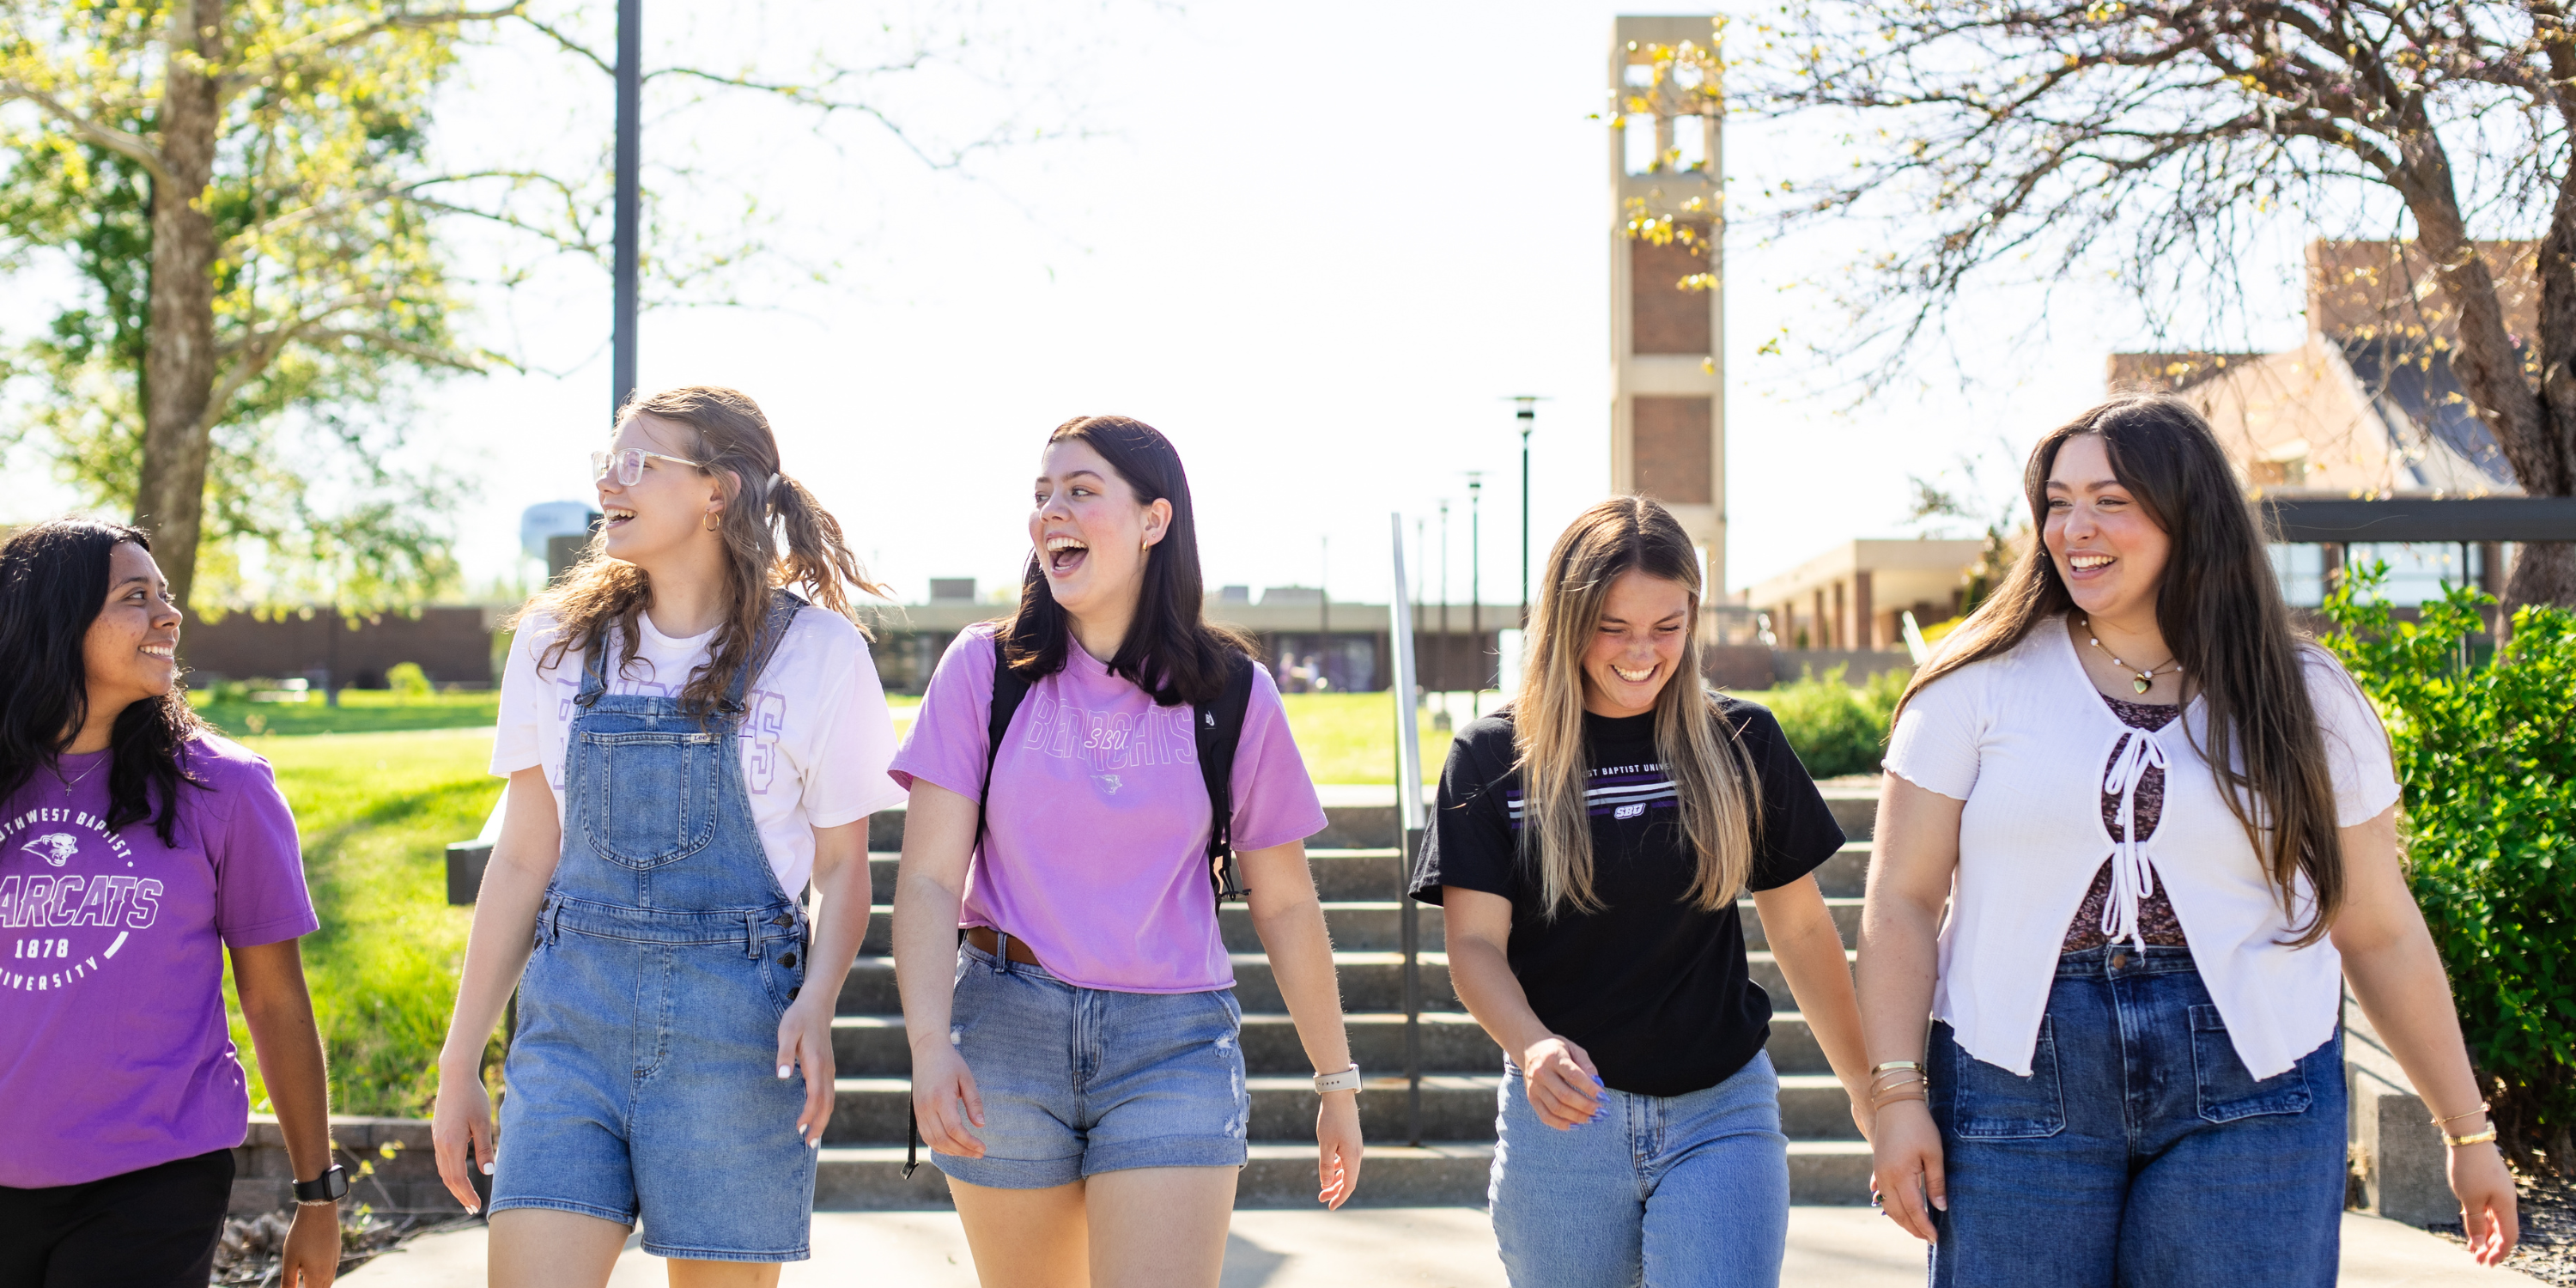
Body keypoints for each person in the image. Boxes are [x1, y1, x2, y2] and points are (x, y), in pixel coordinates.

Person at [1861, 394, 2521, 1285]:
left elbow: (2379, 926)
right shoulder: (1973, 688)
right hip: (2017, 1082)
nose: (2072, 528)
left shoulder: (2309, 697)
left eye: (2110, 501)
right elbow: (1900, 901)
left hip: (2260, 1086)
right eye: (2057, 502)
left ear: (2188, 516)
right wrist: (1896, 1098)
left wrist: (2467, 1131)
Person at [431, 386, 906, 1285]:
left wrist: (819, 1002)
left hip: (739, 1040)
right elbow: (526, 856)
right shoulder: (553, 643)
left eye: (639, 461)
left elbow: (846, 869)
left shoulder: (822, 654)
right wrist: (462, 1062)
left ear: (716, 491)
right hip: (570, 1032)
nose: (611, 479)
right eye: (608, 459)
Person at [893, 415, 1362, 1288]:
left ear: (1154, 520)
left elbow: (1288, 903)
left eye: (1079, 491)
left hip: (1171, 1042)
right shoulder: (981, 672)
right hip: (1006, 1030)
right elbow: (926, 880)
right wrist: (928, 1042)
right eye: (1041, 496)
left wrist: (1336, 1080)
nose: (1050, 513)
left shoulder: (1233, 692)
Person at [1413, 496, 1871, 1288]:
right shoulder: (1492, 757)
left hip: (1721, 1112)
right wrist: (1531, 1044)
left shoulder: (1742, 742)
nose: (1643, 652)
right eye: (1614, 627)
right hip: (1565, 1121)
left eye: (1668, 626)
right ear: (1566, 622)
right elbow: (1474, 946)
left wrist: (1873, 1092)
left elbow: (1799, 930)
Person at [0, 519, 340, 1288]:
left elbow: (275, 997)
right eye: (134, 596)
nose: (168, 615)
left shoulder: (224, 789)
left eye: (166, 594)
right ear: (55, 620)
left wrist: (319, 1194)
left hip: (153, 1180)